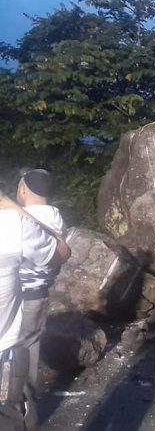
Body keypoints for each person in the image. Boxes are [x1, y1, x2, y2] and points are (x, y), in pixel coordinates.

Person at [0, 189, 69, 430]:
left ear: (23, 189)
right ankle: (25, 408)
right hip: (33, 297)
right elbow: (62, 251)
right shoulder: (14, 222)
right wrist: (13, 208)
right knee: (28, 348)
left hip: (28, 299)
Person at [16, 170, 66, 430]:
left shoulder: (21, 220)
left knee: (11, 356)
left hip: (16, 298)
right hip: (40, 294)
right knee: (29, 352)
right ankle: (29, 413)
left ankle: (16, 414)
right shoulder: (55, 217)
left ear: (24, 188)